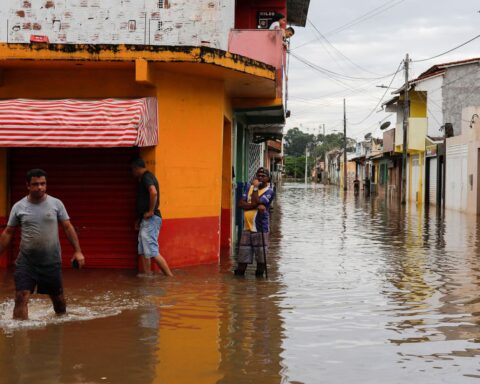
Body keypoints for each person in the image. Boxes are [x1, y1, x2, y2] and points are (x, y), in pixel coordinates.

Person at [0, 169, 85, 320]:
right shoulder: (18, 207)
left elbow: (67, 227)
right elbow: (8, 233)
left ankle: (59, 330)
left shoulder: (56, 204)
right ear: (28, 185)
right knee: (21, 296)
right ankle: (20, 337)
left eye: (43, 184)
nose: (40, 187)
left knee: (58, 302)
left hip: (50, 262)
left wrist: (78, 251)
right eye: (35, 184)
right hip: (26, 262)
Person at [130, 158, 173, 277]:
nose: (132, 173)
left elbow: (153, 192)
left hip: (151, 219)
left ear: (137, 168)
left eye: (132, 170)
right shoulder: (144, 178)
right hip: (145, 219)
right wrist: (139, 219)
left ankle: (170, 278)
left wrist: (150, 211)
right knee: (143, 250)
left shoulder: (146, 177)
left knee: (152, 250)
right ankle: (147, 277)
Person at [234, 167, 275, 277]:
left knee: (261, 261)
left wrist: (256, 188)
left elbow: (257, 201)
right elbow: (241, 204)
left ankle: (260, 286)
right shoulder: (249, 187)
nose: (260, 178)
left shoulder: (269, 191)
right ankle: (239, 284)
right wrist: (254, 205)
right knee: (242, 260)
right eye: (258, 175)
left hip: (260, 229)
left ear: (268, 179)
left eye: (263, 176)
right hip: (246, 229)